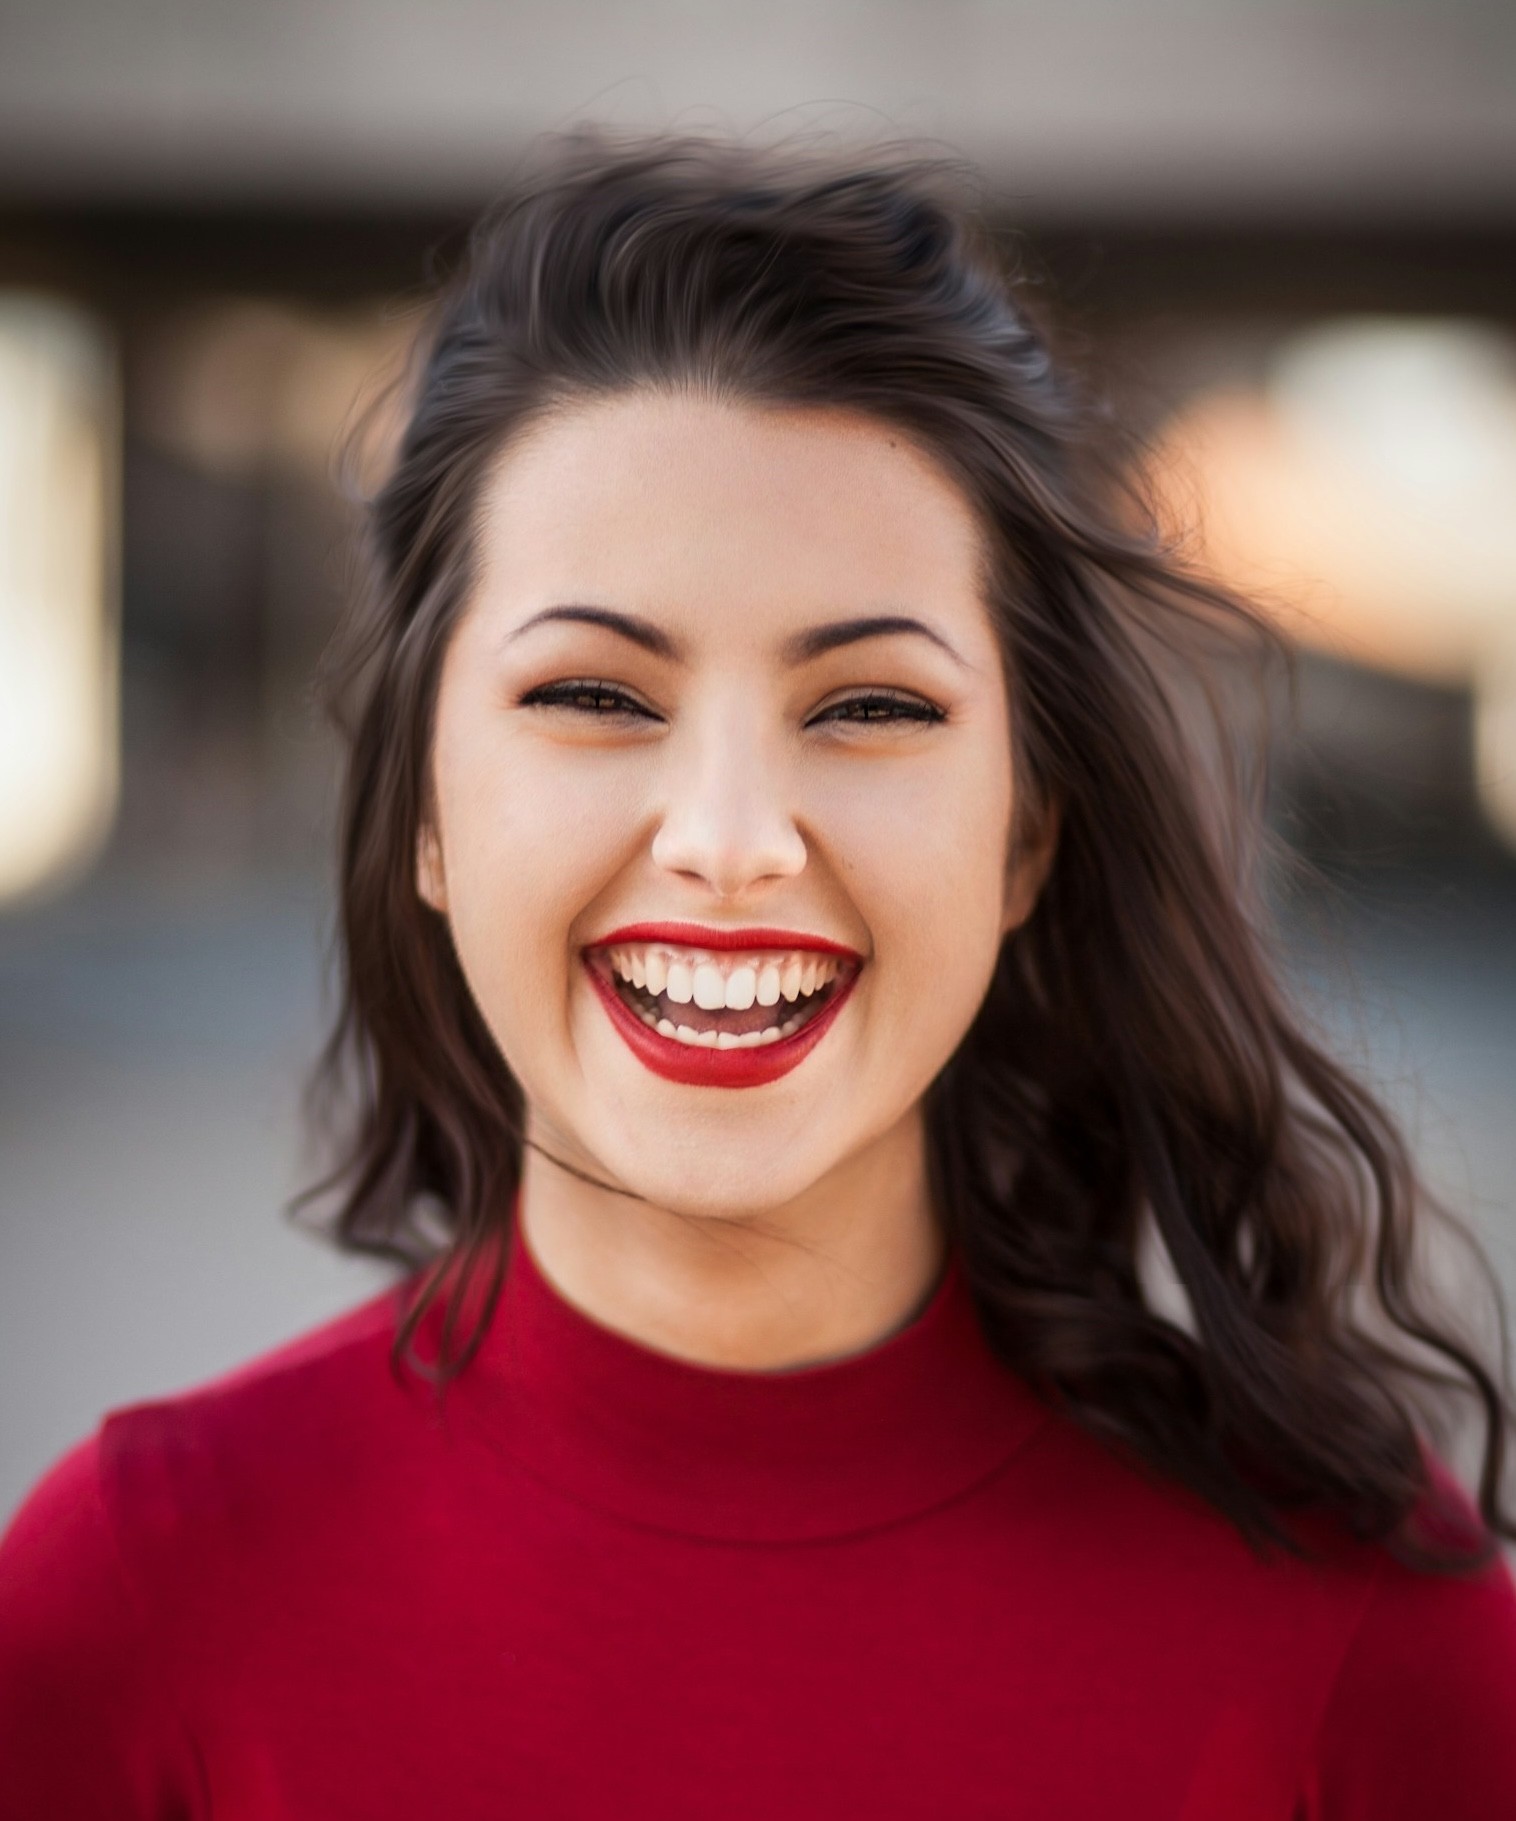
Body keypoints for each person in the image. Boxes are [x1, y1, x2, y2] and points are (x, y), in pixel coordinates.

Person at [2, 129, 1514, 1817]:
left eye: (870, 706)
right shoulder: (131, 1602)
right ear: (424, 809)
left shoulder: (1357, 1622)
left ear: (1029, 835)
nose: (732, 839)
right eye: (594, 694)